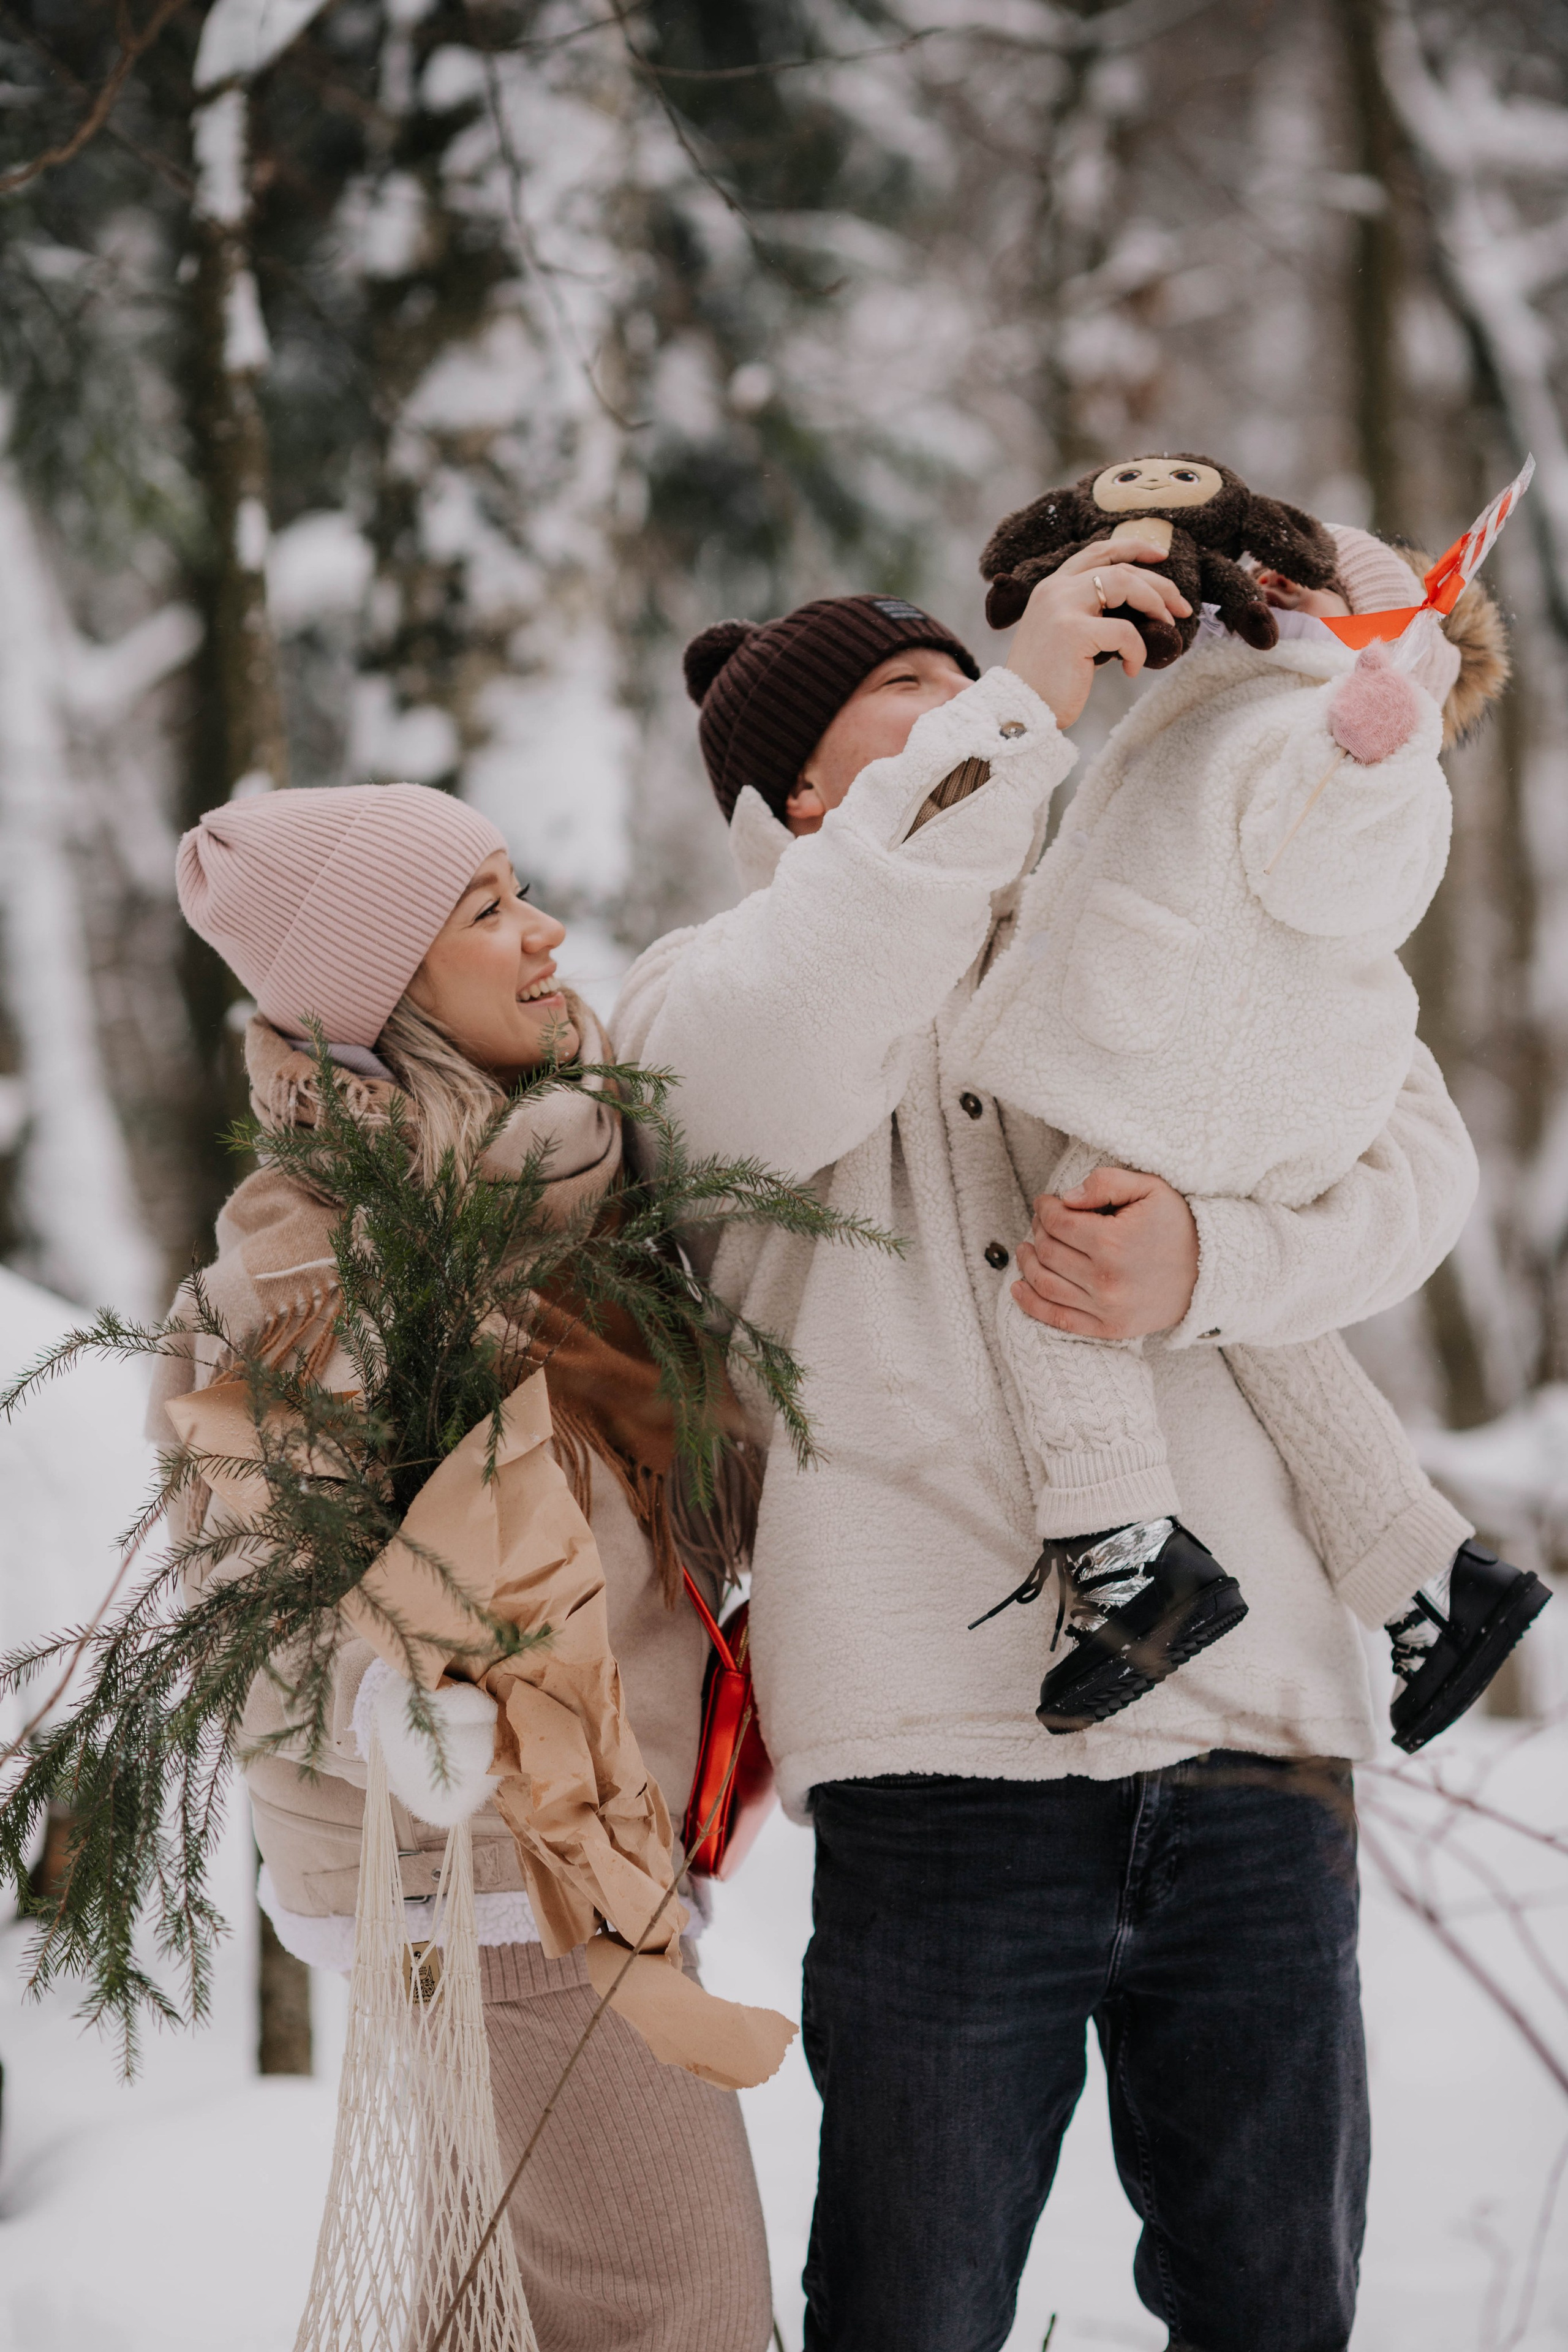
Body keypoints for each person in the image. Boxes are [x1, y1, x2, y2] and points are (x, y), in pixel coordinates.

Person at [613, 562, 1481, 2351]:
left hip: (1255, 1753)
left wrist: (1213, 1262)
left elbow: (1413, 1172)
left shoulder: (1171, 932)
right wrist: (1009, 715)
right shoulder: (706, 997)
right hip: (943, 1781)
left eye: (980, 677)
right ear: (793, 799)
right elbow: (774, 1052)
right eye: (919, 689)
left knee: (1278, 2307)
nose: (992, 699)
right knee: (909, 2314)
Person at [157, 782, 772, 2352]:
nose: (544, 931)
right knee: (672, 2312)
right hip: (489, 1872)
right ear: (381, 995)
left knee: (513, 2315)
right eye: (487, 910)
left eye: (523, 889)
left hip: (573, 1856)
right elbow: (270, 1566)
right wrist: (392, 1687)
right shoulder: (319, 1243)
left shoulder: (564, 1192)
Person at [953, 505, 1548, 1742]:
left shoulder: (1316, 722)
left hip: (1196, 1061)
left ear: (1353, 628)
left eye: (1289, 582)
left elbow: (1340, 853)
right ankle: (1430, 1577)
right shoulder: (1236, 694)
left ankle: (1132, 1560)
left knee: (1060, 1283)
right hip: (1196, 1048)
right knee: (1264, 1339)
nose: (1248, 588)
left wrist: (1371, 748)